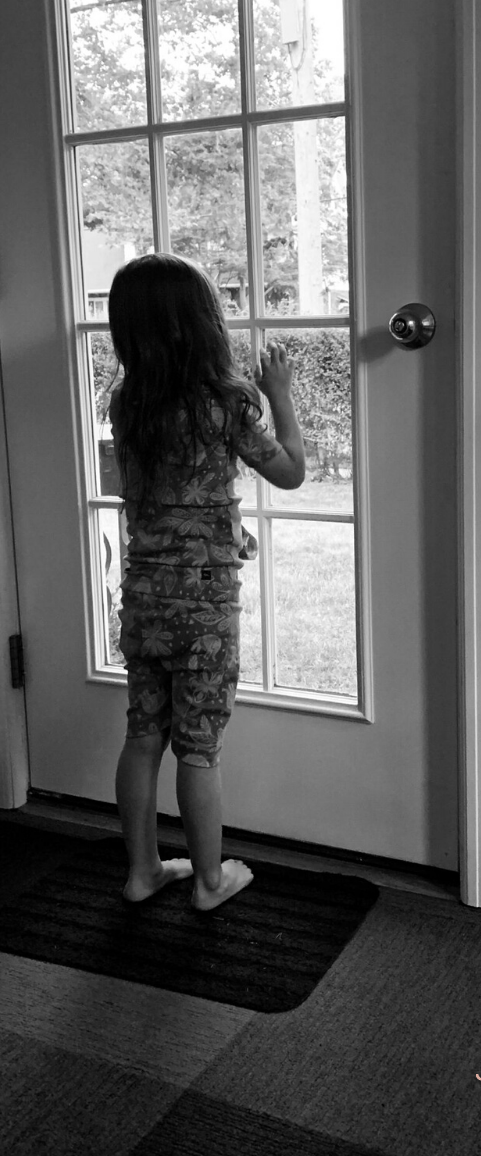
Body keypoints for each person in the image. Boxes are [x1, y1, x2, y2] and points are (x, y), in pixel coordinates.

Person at [108, 253, 305, 911]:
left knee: (143, 736)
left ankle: (141, 871)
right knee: (198, 746)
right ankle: (209, 881)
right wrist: (278, 393)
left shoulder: (127, 402)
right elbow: (292, 473)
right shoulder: (224, 404)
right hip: (202, 603)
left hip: (144, 595)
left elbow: (144, 498)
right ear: (201, 324)